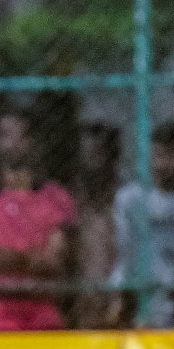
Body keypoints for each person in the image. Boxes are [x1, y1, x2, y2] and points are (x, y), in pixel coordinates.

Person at [0, 110, 75, 332]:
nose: (13, 143)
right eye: (7, 135)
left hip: (42, 313)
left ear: (33, 142)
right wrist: (30, 257)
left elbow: (53, 261)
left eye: (21, 136)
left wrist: (8, 257)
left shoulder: (55, 198)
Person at [110, 122, 174, 328]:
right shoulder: (131, 199)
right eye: (159, 155)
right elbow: (125, 252)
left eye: (172, 155)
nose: (164, 164)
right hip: (148, 299)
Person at [70, 122, 123, 329]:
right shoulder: (73, 198)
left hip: (117, 292)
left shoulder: (123, 197)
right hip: (83, 296)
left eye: (99, 153)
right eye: (88, 153)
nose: (92, 160)